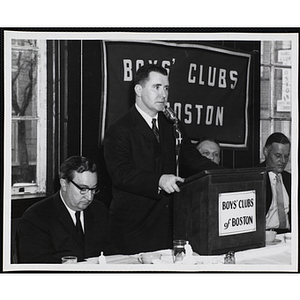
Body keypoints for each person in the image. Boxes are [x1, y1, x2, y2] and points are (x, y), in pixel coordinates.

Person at [104, 63, 221, 255]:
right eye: (156, 87)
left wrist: (227, 173)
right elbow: (121, 174)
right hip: (134, 230)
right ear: (138, 90)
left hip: (169, 227)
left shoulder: (172, 125)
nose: (163, 94)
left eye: (166, 88)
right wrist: (158, 180)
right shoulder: (119, 130)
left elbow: (191, 158)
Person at [17, 156, 111, 263]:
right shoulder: (36, 218)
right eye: (83, 189)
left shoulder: (99, 210)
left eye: (93, 189)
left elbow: (111, 251)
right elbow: (35, 266)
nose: (89, 197)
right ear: (64, 184)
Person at [258, 132, 291, 233]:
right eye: (278, 155)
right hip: (265, 235)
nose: (282, 161)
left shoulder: (290, 179)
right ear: (266, 152)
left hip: (288, 236)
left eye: (286, 156)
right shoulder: (256, 178)